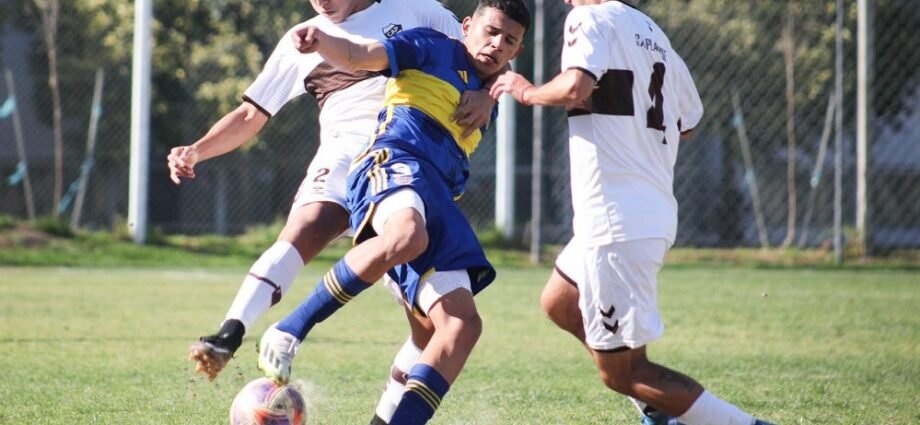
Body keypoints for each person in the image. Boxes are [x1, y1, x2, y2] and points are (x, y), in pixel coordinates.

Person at [168, 0, 497, 396]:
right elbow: (249, 116)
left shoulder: (415, 9)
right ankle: (229, 332)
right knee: (305, 227)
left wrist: (490, 95)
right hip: (345, 157)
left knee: (432, 327)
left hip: (408, 164)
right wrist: (196, 150)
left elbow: (486, 48)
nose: (321, 1)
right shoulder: (301, 40)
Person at [490, 1, 774, 424]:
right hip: (646, 208)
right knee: (560, 301)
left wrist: (526, 92)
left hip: (614, 220)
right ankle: (659, 413)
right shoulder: (651, 31)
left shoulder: (587, 18)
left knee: (623, 373)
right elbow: (689, 120)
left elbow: (576, 86)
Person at [255, 2, 529, 424]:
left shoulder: (495, 88)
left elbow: (496, 78)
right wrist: (323, 42)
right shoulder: (430, 44)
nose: (496, 44)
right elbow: (362, 56)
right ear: (467, 26)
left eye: (509, 40)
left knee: (460, 326)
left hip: (438, 197)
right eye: (490, 32)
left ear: (517, 49)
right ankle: (288, 330)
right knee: (406, 237)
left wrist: (490, 93)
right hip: (392, 161)